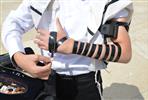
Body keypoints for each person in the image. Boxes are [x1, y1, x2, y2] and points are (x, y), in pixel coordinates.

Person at [1, 0, 133, 100]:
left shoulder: (109, 3)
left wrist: (71, 46)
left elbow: (124, 53)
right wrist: (18, 56)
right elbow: (14, 22)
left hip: (85, 84)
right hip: (47, 78)